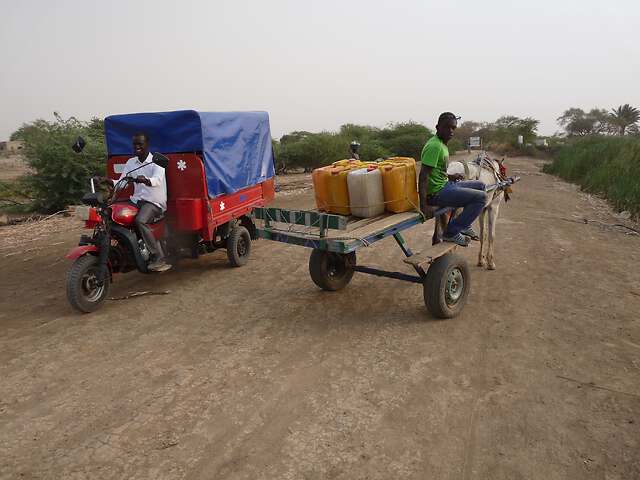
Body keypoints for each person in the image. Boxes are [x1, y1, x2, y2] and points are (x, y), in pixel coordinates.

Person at [96, 133, 170, 272]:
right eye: (135, 144)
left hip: (154, 202)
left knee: (140, 220)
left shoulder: (156, 161)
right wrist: (108, 181)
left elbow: (157, 180)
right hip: (136, 200)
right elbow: (122, 181)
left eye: (140, 144)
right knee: (111, 212)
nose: (137, 147)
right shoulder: (131, 162)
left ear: (147, 145)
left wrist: (145, 180)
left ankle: (158, 256)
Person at [418, 112, 487, 247]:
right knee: (481, 198)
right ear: (438, 127)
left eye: (453, 128)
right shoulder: (435, 146)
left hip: (445, 185)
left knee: (481, 185)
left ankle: (464, 225)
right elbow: (423, 176)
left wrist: (450, 176)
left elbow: (437, 170)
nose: (451, 131)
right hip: (436, 193)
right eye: (447, 127)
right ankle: (451, 232)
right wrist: (424, 205)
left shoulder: (442, 144)